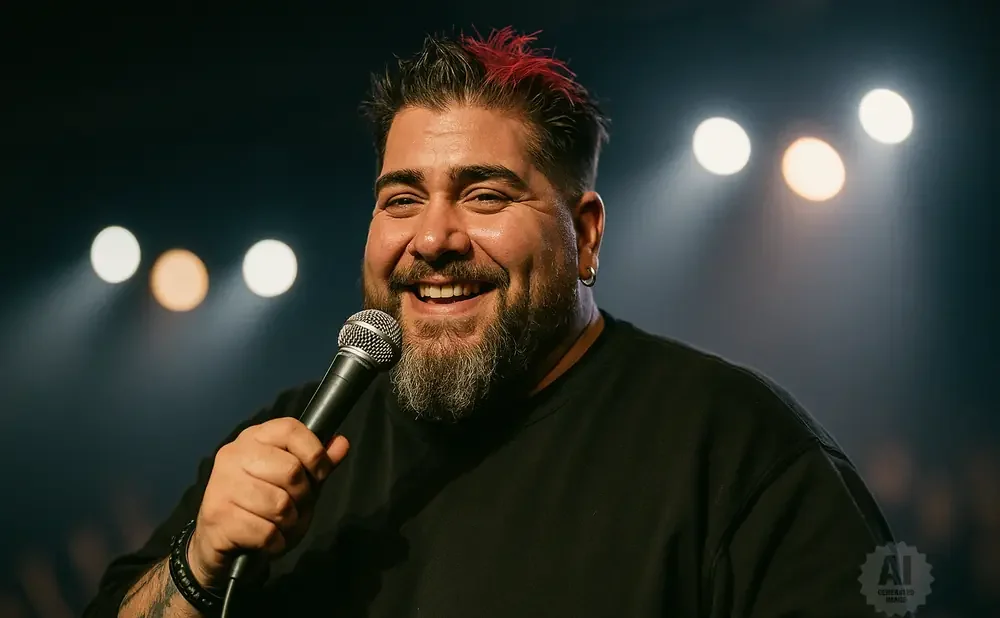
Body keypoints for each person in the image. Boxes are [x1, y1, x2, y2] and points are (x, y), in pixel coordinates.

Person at [86, 28, 897, 617]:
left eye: (485, 194)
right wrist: (195, 567)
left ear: (584, 234)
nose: (433, 239)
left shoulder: (734, 446)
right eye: (401, 199)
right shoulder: (287, 440)